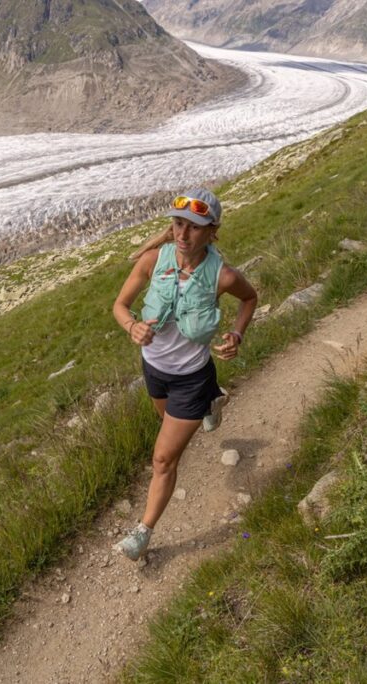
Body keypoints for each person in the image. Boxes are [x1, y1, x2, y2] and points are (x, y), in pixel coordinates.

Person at [111, 188, 258, 561]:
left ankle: (143, 533)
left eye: (194, 227)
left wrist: (237, 334)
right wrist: (131, 327)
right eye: (178, 224)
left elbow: (250, 298)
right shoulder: (152, 260)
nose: (183, 234)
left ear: (212, 232)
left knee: (163, 459)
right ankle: (212, 401)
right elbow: (120, 305)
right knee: (165, 427)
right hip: (154, 369)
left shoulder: (222, 276)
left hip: (191, 377)